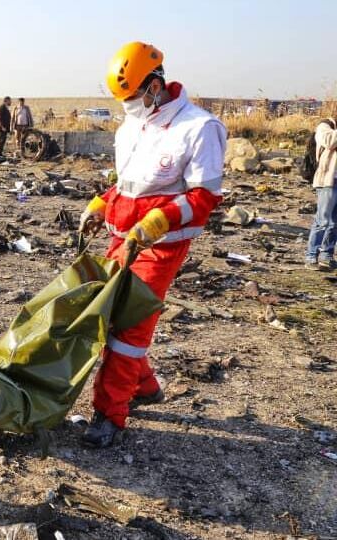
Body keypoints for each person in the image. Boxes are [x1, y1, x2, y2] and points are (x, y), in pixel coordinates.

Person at [78, 42, 227, 447]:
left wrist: (154, 224)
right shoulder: (133, 126)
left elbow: (204, 198)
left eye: (133, 96)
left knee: (128, 329)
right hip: (121, 239)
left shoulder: (198, 128)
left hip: (160, 247)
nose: (130, 105)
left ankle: (109, 414)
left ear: (156, 84)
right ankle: (144, 387)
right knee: (107, 316)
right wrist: (99, 204)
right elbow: (126, 184)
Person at [306, 113, 337, 270]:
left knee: (334, 222)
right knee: (323, 220)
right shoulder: (325, 126)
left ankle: (326, 255)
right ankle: (311, 256)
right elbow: (330, 141)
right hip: (327, 181)